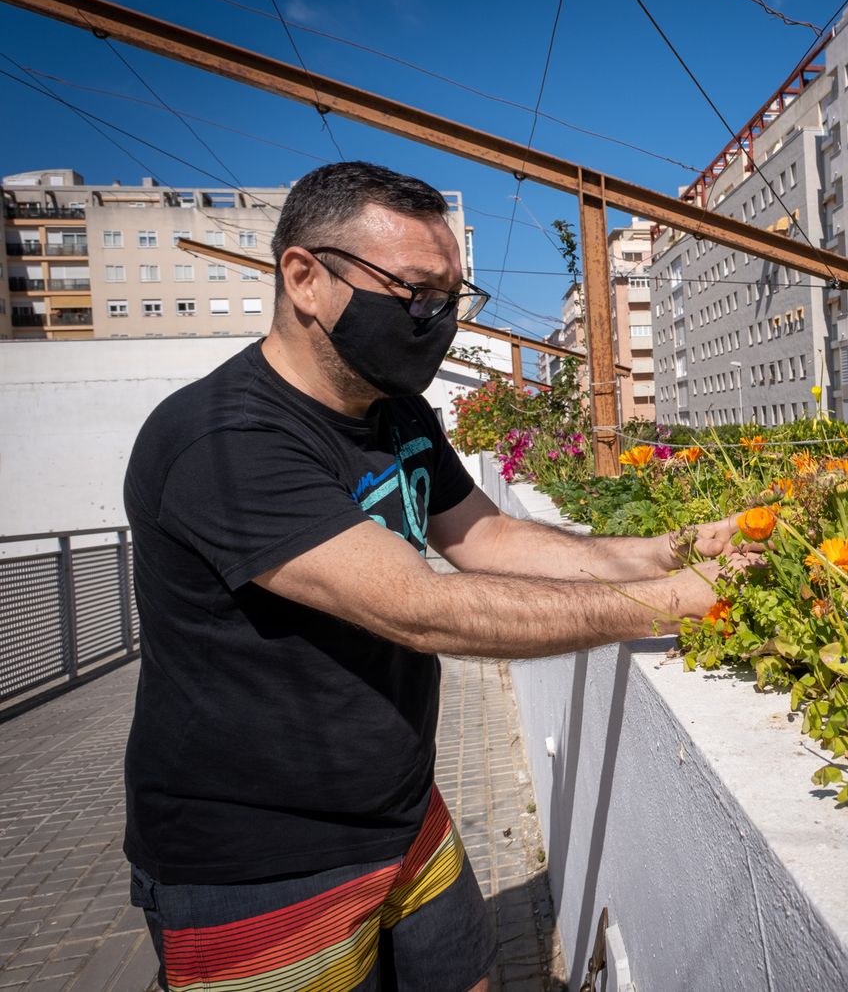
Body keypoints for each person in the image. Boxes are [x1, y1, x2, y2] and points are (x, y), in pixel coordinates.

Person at [122, 161, 744, 992]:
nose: (437, 320)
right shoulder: (223, 441)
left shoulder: (393, 408)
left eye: (452, 297)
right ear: (305, 278)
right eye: (415, 292)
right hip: (259, 864)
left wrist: (676, 548)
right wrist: (667, 606)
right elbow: (421, 609)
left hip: (406, 814)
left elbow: (489, 537)